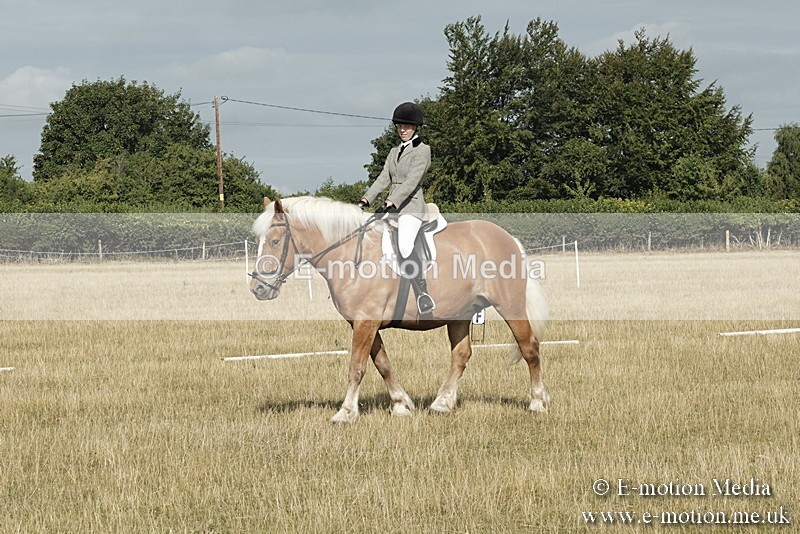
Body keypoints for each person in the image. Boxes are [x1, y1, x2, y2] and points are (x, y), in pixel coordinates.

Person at [358, 101, 435, 314]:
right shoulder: (393, 152)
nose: (403, 130)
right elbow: (384, 178)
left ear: (416, 128)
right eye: (400, 126)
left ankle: (423, 293)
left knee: (404, 245)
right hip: (393, 207)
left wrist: (392, 201)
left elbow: (412, 181)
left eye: (407, 126)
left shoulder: (423, 151)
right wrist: (366, 199)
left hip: (411, 207)